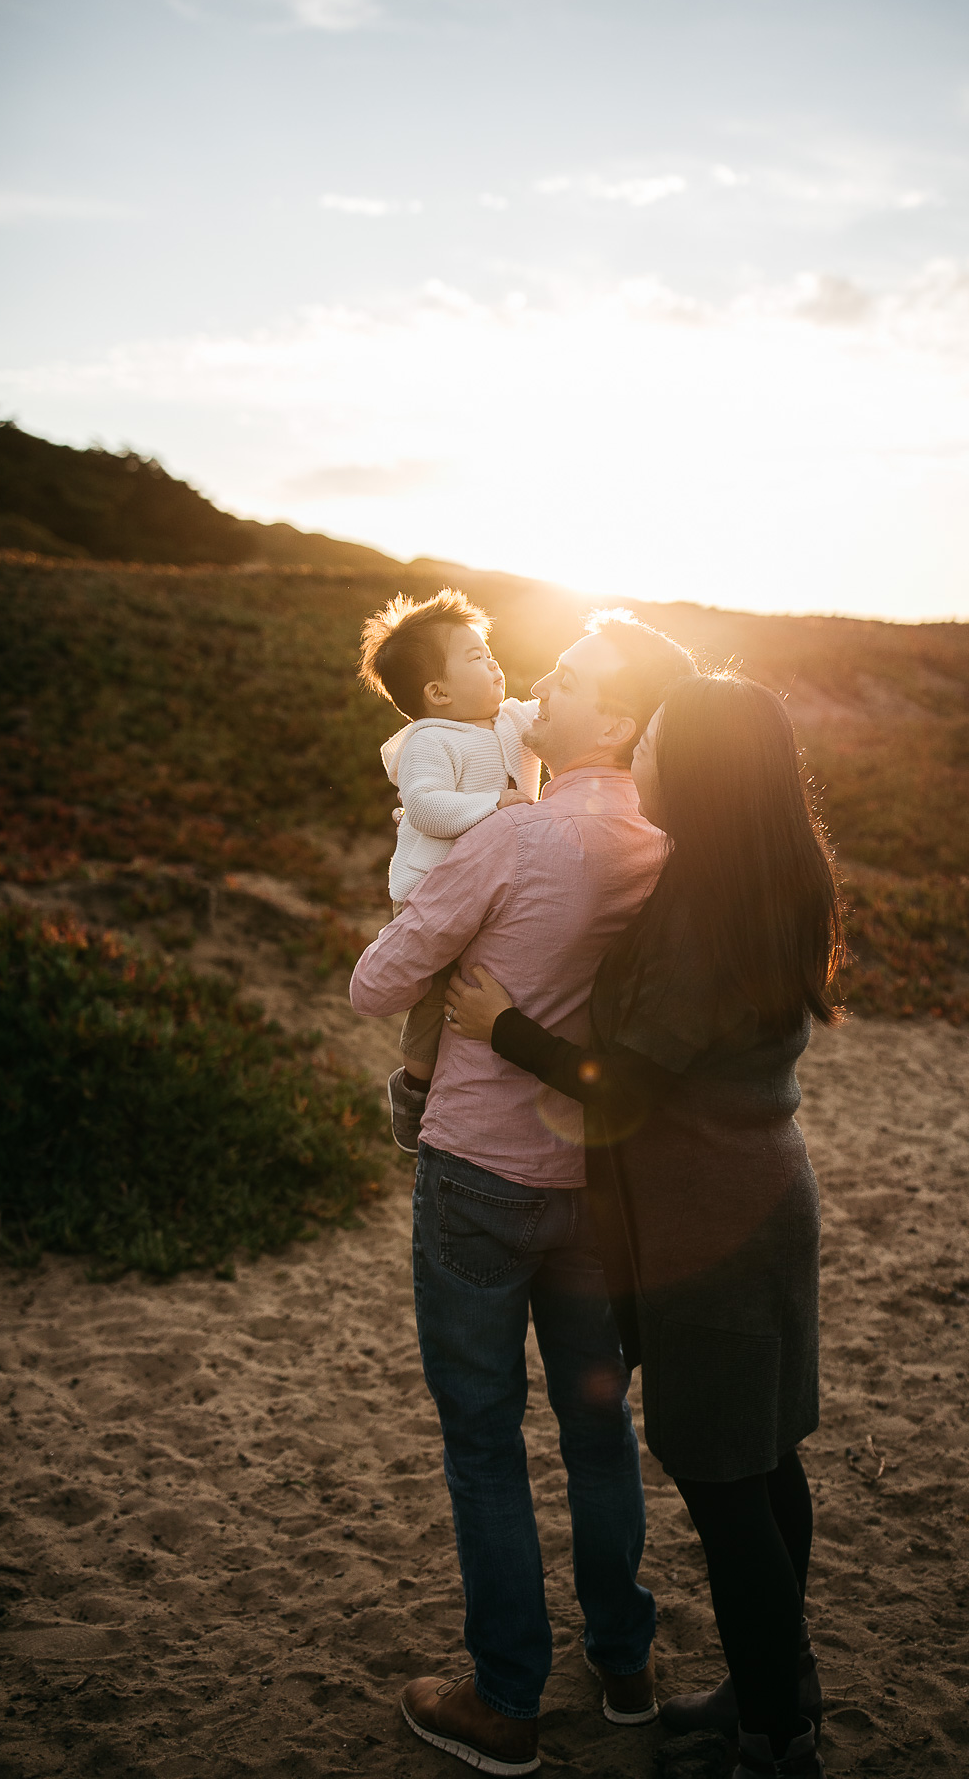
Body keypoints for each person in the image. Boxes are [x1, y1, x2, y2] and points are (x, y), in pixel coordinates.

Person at [444, 673, 844, 1779]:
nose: (643, 758)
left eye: (659, 742)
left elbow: (620, 1081)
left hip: (708, 1230)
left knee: (725, 1494)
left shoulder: (703, 916)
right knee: (765, 1469)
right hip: (766, 1204)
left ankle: (773, 1736)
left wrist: (503, 1025)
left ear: (702, 771)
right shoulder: (762, 875)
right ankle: (782, 1687)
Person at [350, 611, 698, 1777]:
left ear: (617, 718)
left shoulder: (514, 837)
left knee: (487, 1444)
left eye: (572, 675)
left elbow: (376, 981)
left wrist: (431, 950)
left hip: (481, 1175)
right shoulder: (662, 842)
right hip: (597, 1178)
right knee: (601, 1433)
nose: (543, 681)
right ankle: (626, 1663)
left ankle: (505, 1701)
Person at [356, 588, 541, 1153]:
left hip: (494, 886)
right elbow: (428, 807)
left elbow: (563, 717)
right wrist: (492, 807)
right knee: (437, 994)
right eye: (476, 658)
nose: (494, 665)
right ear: (437, 692)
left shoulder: (510, 719)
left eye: (491, 652)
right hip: (430, 889)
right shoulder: (430, 741)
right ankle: (414, 1089)